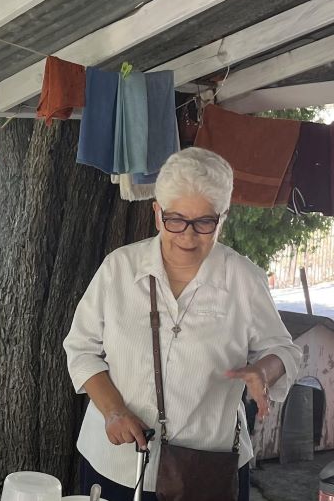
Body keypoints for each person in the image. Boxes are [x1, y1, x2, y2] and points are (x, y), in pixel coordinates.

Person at [63, 147, 301, 501]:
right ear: (157, 213)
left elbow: (285, 350)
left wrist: (265, 371)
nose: (188, 237)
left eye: (204, 223)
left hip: (207, 468)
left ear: (222, 218)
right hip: (116, 462)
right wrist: (113, 410)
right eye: (176, 220)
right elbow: (81, 349)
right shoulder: (119, 269)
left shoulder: (243, 278)